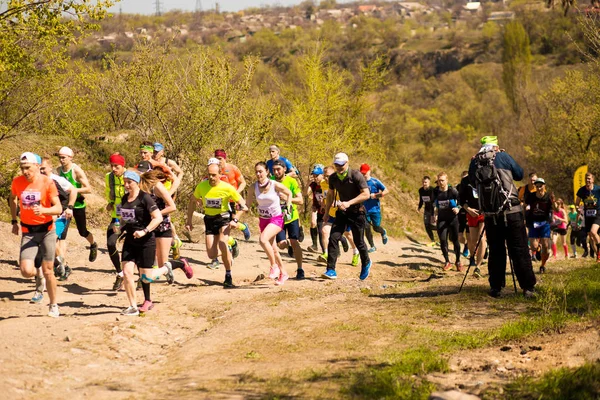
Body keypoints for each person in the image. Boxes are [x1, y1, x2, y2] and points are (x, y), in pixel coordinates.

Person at [468, 136, 537, 298]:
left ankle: (496, 288)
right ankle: (528, 288)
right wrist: (505, 158)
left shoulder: (475, 162)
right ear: (496, 147)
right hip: (511, 211)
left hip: (491, 215)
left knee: (496, 252)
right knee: (519, 249)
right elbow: (519, 174)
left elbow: (471, 182)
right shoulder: (503, 156)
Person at [10, 152, 63, 317]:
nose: (25, 171)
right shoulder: (17, 182)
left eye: (28, 168)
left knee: (49, 271)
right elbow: (12, 198)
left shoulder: (47, 182)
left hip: (47, 230)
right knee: (26, 271)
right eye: (22, 168)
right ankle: (37, 272)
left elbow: (58, 208)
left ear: (37, 166)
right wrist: (14, 221)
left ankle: (53, 305)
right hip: (28, 232)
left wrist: (44, 210)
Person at [137, 169, 193, 312]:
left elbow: (172, 207)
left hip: (162, 227)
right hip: (148, 228)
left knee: (163, 264)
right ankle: (145, 293)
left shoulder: (157, 186)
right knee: (146, 261)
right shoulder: (138, 187)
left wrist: (155, 215)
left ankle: (181, 262)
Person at [186, 163, 249, 287]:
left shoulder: (227, 188)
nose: (211, 177)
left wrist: (235, 220)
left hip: (223, 218)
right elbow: (192, 201)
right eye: (209, 174)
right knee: (212, 254)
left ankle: (228, 274)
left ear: (220, 175)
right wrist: (189, 220)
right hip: (209, 219)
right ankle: (231, 247)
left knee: (222, 242)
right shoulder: (202, 186)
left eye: (214, 175)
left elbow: (244, 206)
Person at [119, 170, 164, 316]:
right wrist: (118, 227)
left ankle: (170, 267)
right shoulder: (124, 198)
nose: (126, 185)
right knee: (127, 272)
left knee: (146, 277)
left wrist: (144, 231)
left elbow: (158, 218)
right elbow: (124, 217)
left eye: (129, 182)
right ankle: (132, 306)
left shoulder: (145, 198)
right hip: (130, 241)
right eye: (124, 182)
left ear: (136, 182)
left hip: (146, 240)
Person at [322, 153, 371, 280]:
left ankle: (366, 262)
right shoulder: (333, 178)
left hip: (357, 212)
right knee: (333, 237)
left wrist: (349, 203)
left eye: (341, 165)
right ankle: (331, 270)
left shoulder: (356, 175)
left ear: (347, 163)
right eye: (337, 165)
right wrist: (326, 213)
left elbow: (366, 194)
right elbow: (330, 195)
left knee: (359, 242)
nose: (339, 167)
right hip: (342, 212)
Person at [246, 162, 292, 285]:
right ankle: (284, 273)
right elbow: (248, 204)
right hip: (263, 219)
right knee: (274, 249)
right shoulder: (253, 187)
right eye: (256, 171)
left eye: (260, 171)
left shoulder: (274, 184)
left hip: (276, 219)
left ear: (267, 172)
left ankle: (274, 267)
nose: (258, 174)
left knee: (263, 240)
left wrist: (288, 206)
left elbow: (289, 193)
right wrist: (240, 209)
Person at [56, 146, 98, 262]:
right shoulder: (58, 170)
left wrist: (73, 190)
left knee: (82, 231)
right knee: (61, 234)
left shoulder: (76, 170)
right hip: (65, 206)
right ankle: (61, 264)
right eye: (59, 157)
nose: (61, 160)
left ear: (70, 157)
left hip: (78, 205)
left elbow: (88, 189)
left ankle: (93, 244)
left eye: (63, 157)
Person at [39, 157, 77, 282]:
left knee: (53, 238)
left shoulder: (57, 180)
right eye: (39, 169)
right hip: (48, 214)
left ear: (50, 167)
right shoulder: (37, 181)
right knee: (52, 241)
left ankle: (61, 266)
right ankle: (63, 266)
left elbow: (73, 190)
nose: (42, 171)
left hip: (62, 213)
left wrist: (69, 208)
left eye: (43, 168)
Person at [272, 159, 305, 279]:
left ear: (285, 169)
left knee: (294, 241)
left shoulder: (291, 181)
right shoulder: (270, 182)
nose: (276, 172)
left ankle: (300, 269)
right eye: (274, 170)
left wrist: (287, 198)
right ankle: (288, 245)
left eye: (278, 169)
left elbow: (300, 200)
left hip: (291, 217)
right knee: (281, 244)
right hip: (277, 218)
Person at [214, 149, 252, 241]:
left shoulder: (233, 168)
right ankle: (231, 242)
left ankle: (242, 228)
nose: (218, 161)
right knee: (223, 225)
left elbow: (243, 183)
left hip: (233, 200)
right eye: (216, 159)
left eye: (220, 159)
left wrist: (236, 193)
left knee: (231, 223)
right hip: (221, 201)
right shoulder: (214, 169)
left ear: (225, 158)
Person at [319, 166, 352, 264]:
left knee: (348, 235)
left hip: (342, 214)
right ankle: (326, 254)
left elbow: (346, 199)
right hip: (331, 214)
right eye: (324, 176)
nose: (326, 178)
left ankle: (356, 251)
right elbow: (326, 195)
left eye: (328, 176)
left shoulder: (340, 184)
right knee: (324, 231)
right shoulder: (323, 183)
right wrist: (323, 203)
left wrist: (336, 202)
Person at [105, 153, 127, 290]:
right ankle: (120, 273)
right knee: (111, 242)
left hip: (132, 218)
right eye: (112, 166)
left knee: (135, 247)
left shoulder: (130, 176)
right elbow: (109, 191)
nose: (113, 169)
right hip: (117, 217)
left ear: (123, 166)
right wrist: (111, 202)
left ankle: (142, 277)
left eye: (116, 166)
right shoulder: (109, 177)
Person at [434, 172, 462, 272]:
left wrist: (458, 208)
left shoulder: (452, 191)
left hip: (453, 219)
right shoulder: (436, 191)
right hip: (442, 219)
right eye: (439, 180)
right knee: (442, 240)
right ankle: (447, 261)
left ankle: (458, 261)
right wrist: (435, 215)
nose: (440, 182)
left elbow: (461, 201)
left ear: (447, 180)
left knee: (455, 240)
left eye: (442, 180)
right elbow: (436, 204)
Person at [459, 170, 485, 278]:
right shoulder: (465, 181)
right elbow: (461, 199)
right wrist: (468, 209)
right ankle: (477, 256)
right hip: (471, 213)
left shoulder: (485, 178)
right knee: (473, 241)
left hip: (483, 213)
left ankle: (478, 267)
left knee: (481, 237)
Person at [360, 163, 389, 253]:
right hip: (365, 210)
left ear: (369, 171)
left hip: (375, 209)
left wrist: (376, 195)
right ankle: (372, 246)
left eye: (365, 173)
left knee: (376, 227)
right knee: (366, 227)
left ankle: (383, 232)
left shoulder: (375, 182)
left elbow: (386, 191)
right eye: (362, 173)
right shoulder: (360, 183)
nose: (364, 175)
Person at [525, 178, 553, 273]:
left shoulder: (548, 196)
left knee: (546, 245)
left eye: (540, 186)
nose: (539, 188)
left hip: (544, 223)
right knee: (533, 247)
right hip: (533, 223)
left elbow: (556, 209)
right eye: (537, 186)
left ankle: (543, 265)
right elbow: (525, 204)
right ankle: (538, 248)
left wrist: (554, 203)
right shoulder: (531, 196)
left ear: (544, 186)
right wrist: (526, 208)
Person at [575, 172, 600, 262]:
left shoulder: (598, 189)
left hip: (598, 214)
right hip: (588, 215)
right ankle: (598, 255)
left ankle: (599, 255)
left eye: (589, 178)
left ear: (593, 180)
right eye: (586, 178)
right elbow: (577, 203)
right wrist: (577, 208)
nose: (587, 180)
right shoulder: (581, 190)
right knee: (591, 238)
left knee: (593, 232)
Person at [307, 165, 326, 254]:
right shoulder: (314, 184)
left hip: (327, 208)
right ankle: (316, 246)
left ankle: (341, 240)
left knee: (326, 230)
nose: (315, 178)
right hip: (317, 207)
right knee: (315, 224)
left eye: (316, 176)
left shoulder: (326, 184)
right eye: (314, 176)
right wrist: (308, 182)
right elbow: (306, 193)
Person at [418, 176, 437, 246]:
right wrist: (419, 207)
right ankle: (433, 241)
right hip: (426, 210)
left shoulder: (432, 190)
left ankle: (443, 231)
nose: (424, 184)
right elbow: (421, 200)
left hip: (433, 210)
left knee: (433, 225)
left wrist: (433, 214)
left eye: (425, 182)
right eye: (423, 182)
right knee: (426, 225)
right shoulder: (420, 190)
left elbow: (433, 202)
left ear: (429, 182)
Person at [455, 171, 470, 258]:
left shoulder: (471, 186)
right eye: (463, 177)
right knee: (459, 236)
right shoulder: (457, 187)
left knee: (470, 236)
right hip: (460, 214)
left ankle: (467, 247)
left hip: (469, 214)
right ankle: (466, 244)